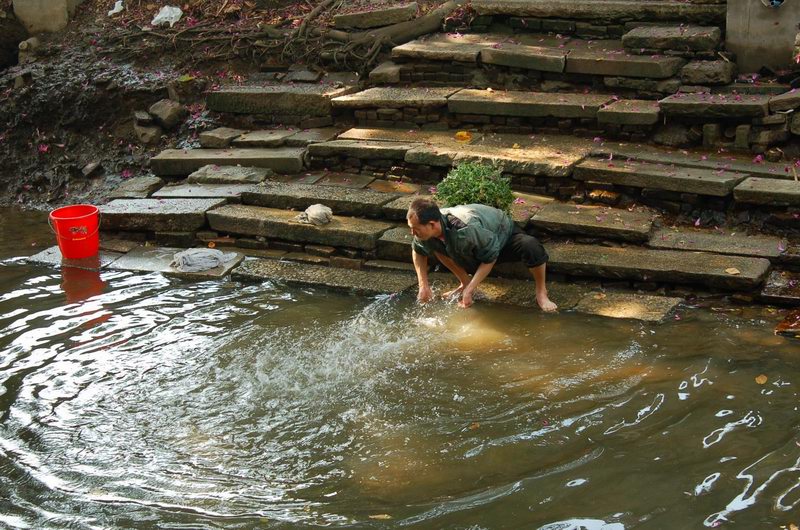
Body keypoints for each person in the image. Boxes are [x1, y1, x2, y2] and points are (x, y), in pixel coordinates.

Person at [407, 198, 557, 312]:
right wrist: (423, 286)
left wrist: (470, 290)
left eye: (415, 229)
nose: (412, 233)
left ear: (432, 224)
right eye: (411, 228)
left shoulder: (466, 229)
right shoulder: (427, 231)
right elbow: (418, 251)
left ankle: (541, 292)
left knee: (531, 246)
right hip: (474, 246)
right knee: (434, 246)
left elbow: (490, 256)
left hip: (501, 235)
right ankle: (464, 282)